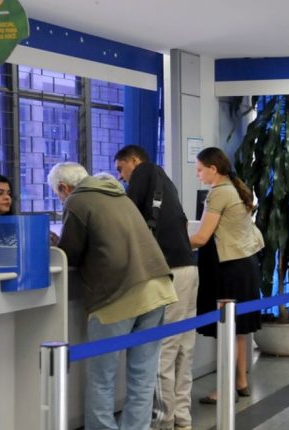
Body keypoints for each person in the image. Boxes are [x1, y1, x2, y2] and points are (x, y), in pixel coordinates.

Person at [48, 163, 177, 430]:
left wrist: (54, 245)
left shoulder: (77, 201)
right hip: (156, 288)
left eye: (57, 194)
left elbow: (70, 254)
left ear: (63, 187)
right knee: (142, 376)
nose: (60, 199)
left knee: (102, 377)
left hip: (117, 295)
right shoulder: (119, 196)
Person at [114, 145, 199, 430]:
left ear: (134, 160)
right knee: (184, 348)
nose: (122, 177)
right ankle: (182, 418)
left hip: (169, 271)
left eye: (121, 169)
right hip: (188, 268)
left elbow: (128, 216)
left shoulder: (144, 171)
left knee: (164, 349)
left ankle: (163, 420)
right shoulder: (165, 181)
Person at [190, 147, 264, 404]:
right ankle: (240, 382)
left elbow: (201, 237)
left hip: (229, 268)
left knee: (227, 331)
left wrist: (170, 244)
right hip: (245, 265)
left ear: (213, 169)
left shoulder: (219, 193)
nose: (198, 175)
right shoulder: (235, 188)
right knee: (238, 329)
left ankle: (224, 389)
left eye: (200, 170)